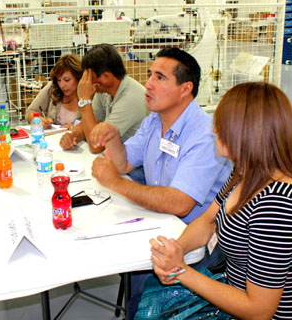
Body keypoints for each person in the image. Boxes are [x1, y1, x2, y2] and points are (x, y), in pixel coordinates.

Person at [149, 82, 292, 320]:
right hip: (232, 300)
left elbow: (259, 310)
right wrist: (176, 250)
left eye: (221, 124)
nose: (214, 130)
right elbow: (208, 221)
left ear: (245, 132)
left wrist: (180, 271)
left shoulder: (279, 205)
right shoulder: (244, 173)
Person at [89, 47, 231, 318]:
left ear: (185, 88)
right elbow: (124, 163)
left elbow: (180, 203)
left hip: (197, 239)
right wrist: (113, 136)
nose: (149, 84)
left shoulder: (203, 134)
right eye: (149, 75)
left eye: (160, 78)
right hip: (161, 222)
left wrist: (116, 184)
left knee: (143, 285)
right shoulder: (155, 120)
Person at [59, 43, 146, 153]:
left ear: (105, 76)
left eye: (89, 75)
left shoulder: (130, 99)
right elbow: (92, 121)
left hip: (135, 167)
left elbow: (96, 146)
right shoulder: (104, 90)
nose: (86, 80)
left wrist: (85, 99)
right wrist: (73, 136)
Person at [25, 54, 83, 129]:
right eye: (59, 80)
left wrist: (77, 130)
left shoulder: (90, 96)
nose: (62, 85)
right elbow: (30, 111)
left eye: (67, 80)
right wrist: (39, 120)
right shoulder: (53, 88)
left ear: (79, 78)